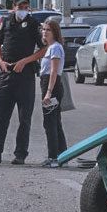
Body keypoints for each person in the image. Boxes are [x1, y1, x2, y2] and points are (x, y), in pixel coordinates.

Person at [0, 0, 45, 165]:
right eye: (20, 6)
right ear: (13, 7)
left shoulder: (34, 24)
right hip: (6, 74)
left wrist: (25, 61)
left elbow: (44, 49)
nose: (23, 9)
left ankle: (20, 154)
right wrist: (0, 61)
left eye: (26, 6)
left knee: (24, 118)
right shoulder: (6, 22)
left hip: (25, 75)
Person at [39, 20, 68, 167]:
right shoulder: (50, 47)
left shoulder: (55, 48)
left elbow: (53, 71)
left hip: (52, 86)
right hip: (48, 84)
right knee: (55, 122)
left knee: (50, 122)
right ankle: (62, 155)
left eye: (48, 30)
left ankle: (53, 157)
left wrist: (48, 93)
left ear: (55, 32)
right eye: (43, 29)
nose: (44, 32)